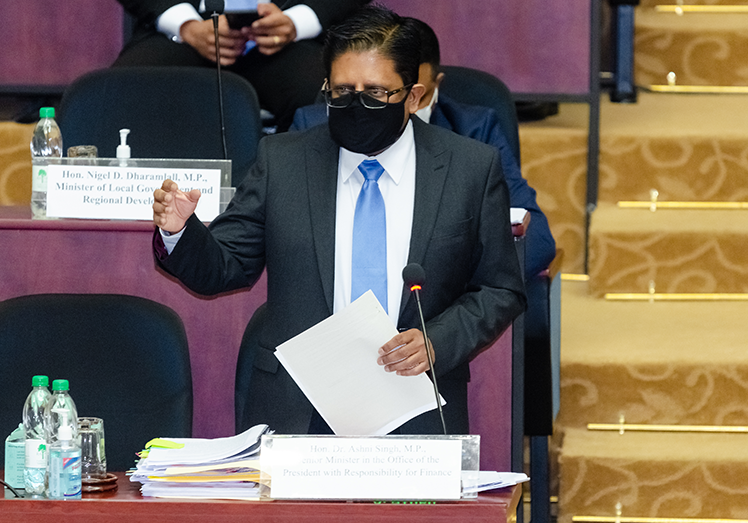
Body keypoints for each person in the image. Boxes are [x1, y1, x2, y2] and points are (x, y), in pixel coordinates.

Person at [151, 5, 526, 436]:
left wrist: (437, 341)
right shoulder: (285, 161)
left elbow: (500, 288)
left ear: (415, 96)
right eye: (343, 92)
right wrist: (179, 231)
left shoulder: (469, 168)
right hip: (297, 411)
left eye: (375, 94)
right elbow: (224, 265)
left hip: (418, 406)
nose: (357, 105)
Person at [291, 17, 556, 279]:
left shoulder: (475, 132)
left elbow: (536, 240)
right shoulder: (312, 128)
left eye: (416, 96)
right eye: (377, 94)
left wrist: (442, 286)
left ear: (426, 90)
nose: (407, 111)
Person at [115, 0, 370, 131]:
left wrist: (297, 21)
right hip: (184, 29)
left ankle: (300, 207)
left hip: (292, 31)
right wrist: (186, 25)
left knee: (327, 95)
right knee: (118, 94)